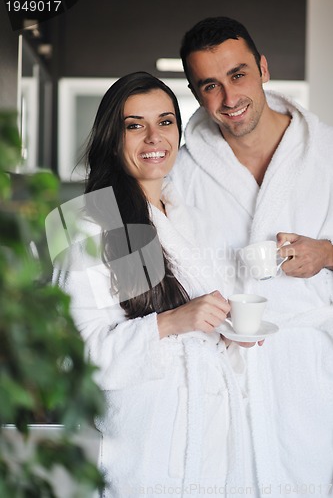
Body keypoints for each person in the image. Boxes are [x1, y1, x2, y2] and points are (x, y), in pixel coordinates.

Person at [52, 72, 257, 497]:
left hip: (212, 443)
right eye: (134, 126)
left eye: (165, 122)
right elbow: (77, 359)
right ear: (113, 138)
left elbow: (199, 326)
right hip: (144, 454)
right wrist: (171, 322)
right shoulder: (87, 225)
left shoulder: (192, 220)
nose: (153, 138)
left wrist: (228, 333)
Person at [171, 16, 333, 497]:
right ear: (197, 95)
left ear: (263, 68)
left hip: (307, 374)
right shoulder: (182, 170)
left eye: (238, 74)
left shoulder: (325, 153)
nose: (229, 98)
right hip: (222, 373)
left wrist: (326, 253)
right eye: (211, 86)